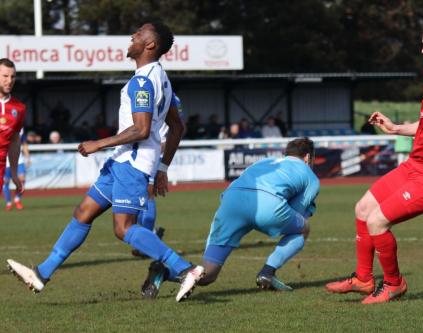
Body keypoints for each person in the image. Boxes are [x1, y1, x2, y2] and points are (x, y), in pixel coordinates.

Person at [6, 22, 204, 303]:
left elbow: (142, 129)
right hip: (121, 162)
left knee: (123, 228)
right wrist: (162, 168)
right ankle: (42, 273)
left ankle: (185, 269)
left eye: (139, 34)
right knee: (83, 212)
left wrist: (96, 144)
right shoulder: (161, 78)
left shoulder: (143, 82)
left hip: (132, 164)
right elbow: (177, 127)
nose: (132, 35)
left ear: (150, 45)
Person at [325, 19, 423, 304]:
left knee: (377, 222)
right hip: (416, 166)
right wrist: (397, 128)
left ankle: (393, 284)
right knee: (362, 208)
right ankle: (363, 279)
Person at [141, 137, 320, 299]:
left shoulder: (266, 162)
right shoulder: (310, 176)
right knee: (304, 228)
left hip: (231, 201)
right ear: (307, 158)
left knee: (208, 274)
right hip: (267, 206)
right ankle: (268, 271)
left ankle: (164, 273)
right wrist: (307, 212)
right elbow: (295, 212)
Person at [131, 92, 184, 258]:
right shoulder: (165, 94)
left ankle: (146, 243)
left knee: (148, 194)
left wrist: (162, 145)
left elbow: (177, 126)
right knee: (139, 196)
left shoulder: (154, 93)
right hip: (144, 150)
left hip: (152, 150)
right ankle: (148, 237)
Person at [0, 58, 25, 203]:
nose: (9, 81)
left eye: (12, 76)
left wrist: (14, 173)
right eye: (5, 76)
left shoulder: (19, 108)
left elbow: (15, 141)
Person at [3, 128, 30, 210]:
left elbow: (24, 144)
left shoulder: (19, 128)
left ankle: (17, 199)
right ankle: (8, 203)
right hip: (5, 160)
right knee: (5, 181)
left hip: (19, 159)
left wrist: (28, 157)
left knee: (22, 179)